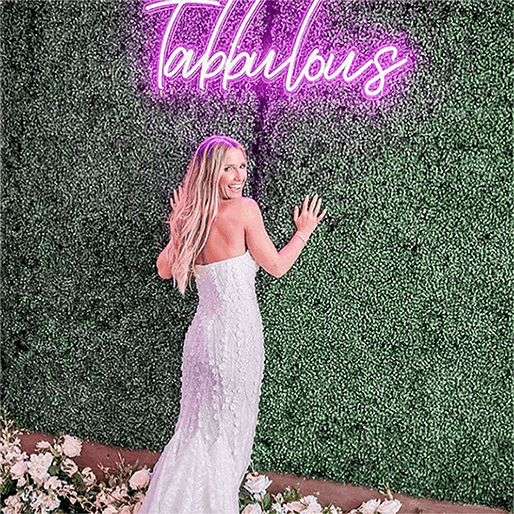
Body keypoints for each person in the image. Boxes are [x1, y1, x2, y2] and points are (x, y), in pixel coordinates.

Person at [141, 135, 327, 514]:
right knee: (225, 437)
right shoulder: (244, 210)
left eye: (242, 166)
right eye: (229, 167)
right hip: (236, 342)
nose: (239, 175)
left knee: (194, 433)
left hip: (201, 341)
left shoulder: (193, 216)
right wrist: (303, 231)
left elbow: (163, 269)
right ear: (212, 172)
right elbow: (275, 266)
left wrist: (178, 224)